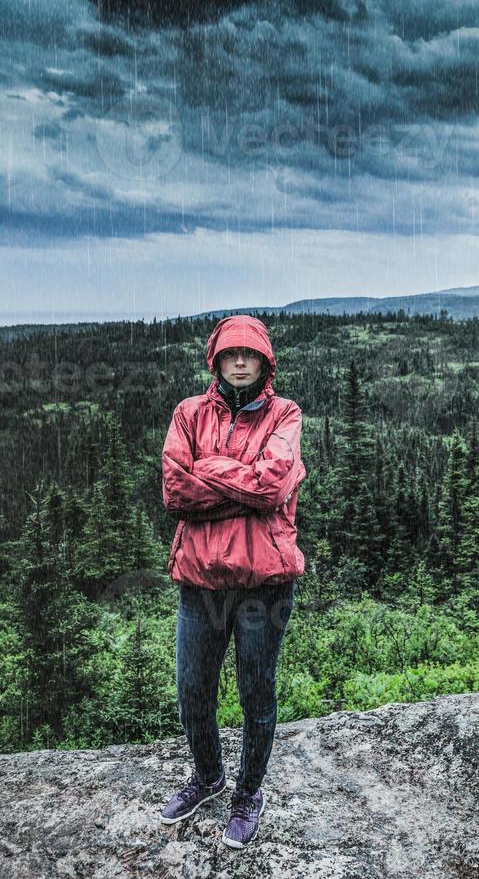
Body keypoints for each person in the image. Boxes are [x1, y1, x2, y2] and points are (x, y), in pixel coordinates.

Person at [159, 314, 306, 849]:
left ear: (265, 361)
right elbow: (176, 491)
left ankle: (248, 794)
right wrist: (240, 480)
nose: (240, 361)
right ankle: (208, 776)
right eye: (230, 354)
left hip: (264, 586)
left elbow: (271, 487)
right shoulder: (188, 413)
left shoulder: (285, 414)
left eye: (250, 354)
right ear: (216, 360)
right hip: (200, 582)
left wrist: (210, 467)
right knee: (192, 691)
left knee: (255, 694)